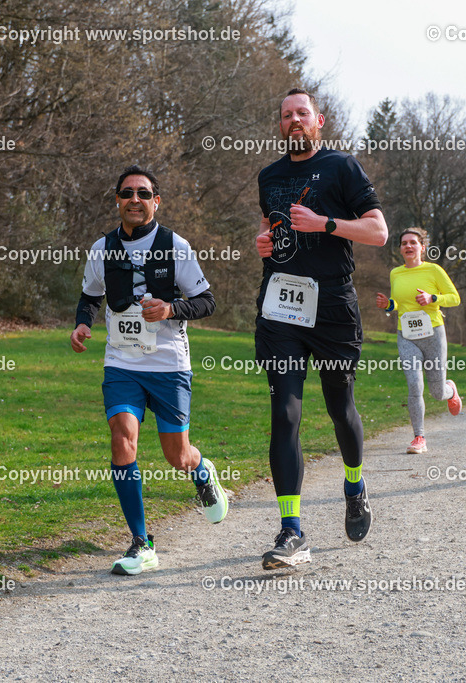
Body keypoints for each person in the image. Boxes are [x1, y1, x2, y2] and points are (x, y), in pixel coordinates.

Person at [254, 88, 388, 569]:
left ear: (319, 121)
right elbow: (281, 233)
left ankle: (354, 483)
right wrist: (268, 243)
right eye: (286, 114)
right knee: (285, 412)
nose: (294, 120)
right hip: (281, 307)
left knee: (339, 406)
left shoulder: (341, 167)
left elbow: (378, 232)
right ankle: (291, 530)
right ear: (280, 123)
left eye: (302, 114)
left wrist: (325, 224)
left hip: (331, 304)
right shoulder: (268, 177)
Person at [71, 165, 228, 576]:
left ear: (156, 201)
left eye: (143, 194)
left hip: (168, 364)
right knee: (123, 439)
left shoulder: (176, 246)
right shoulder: (101, 249)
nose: (135, 200)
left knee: (177, 456)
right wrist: (83, 322)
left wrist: (173, 308)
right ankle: (142, 543)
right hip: (122, 362)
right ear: (117, 201)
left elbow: (207, 301)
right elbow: (89, 296)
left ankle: (202, 469)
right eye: (127, 194)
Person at [375, 228, 462, 455]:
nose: (408, 246)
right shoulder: (396, 273)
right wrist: (388, 305)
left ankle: (450, 390)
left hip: (433, 334)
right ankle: (419, 437)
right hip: (407, 336)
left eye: (413, 242)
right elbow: (399, 304)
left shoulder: (434, 270)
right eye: (404, 243)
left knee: (436, 392)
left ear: (422, 247)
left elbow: (454, 298)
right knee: (414, 385)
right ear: (400, 249)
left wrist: (433, 298)